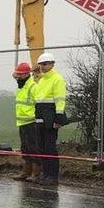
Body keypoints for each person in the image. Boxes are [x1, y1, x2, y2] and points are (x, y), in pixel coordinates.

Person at [32, 52, 68, 185]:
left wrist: (58, 118)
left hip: (51, 118)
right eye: (41, 64)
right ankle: (45, 174)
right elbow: (39, 100)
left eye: (45, 64)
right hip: (41, 117)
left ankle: (52, 176)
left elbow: (60, 99)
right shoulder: (41, 80)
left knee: (50, 147)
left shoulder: (57, 79)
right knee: (41, 147)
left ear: (52, 64)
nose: (42, 67)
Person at [10, 62, 41, 181]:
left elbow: (38, 104)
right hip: (22, 123)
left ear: (27, 74)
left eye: (20, 75)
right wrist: (17, 73)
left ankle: (35, 174)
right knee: (25, 148)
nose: (17, 77)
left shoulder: (32, 87)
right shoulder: (21, 85)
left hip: (31, 122)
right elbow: (15, 75)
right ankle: (26, 172)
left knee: (34, 148)